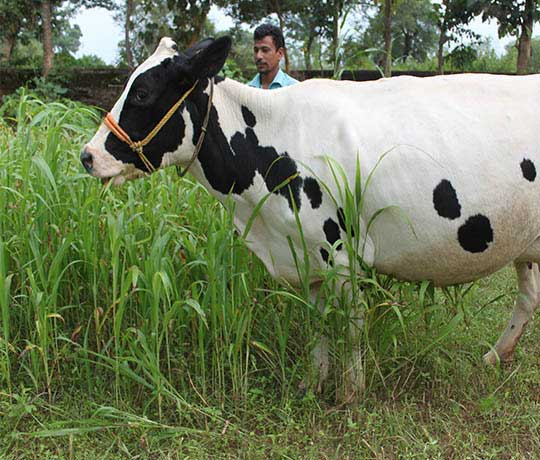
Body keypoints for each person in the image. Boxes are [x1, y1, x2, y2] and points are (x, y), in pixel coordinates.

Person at [248, 24, 298, 90]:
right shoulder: (246, 91)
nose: (258, 56)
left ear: (280, 53)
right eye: (256, 50)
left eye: (265, 50)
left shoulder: (295, 89)